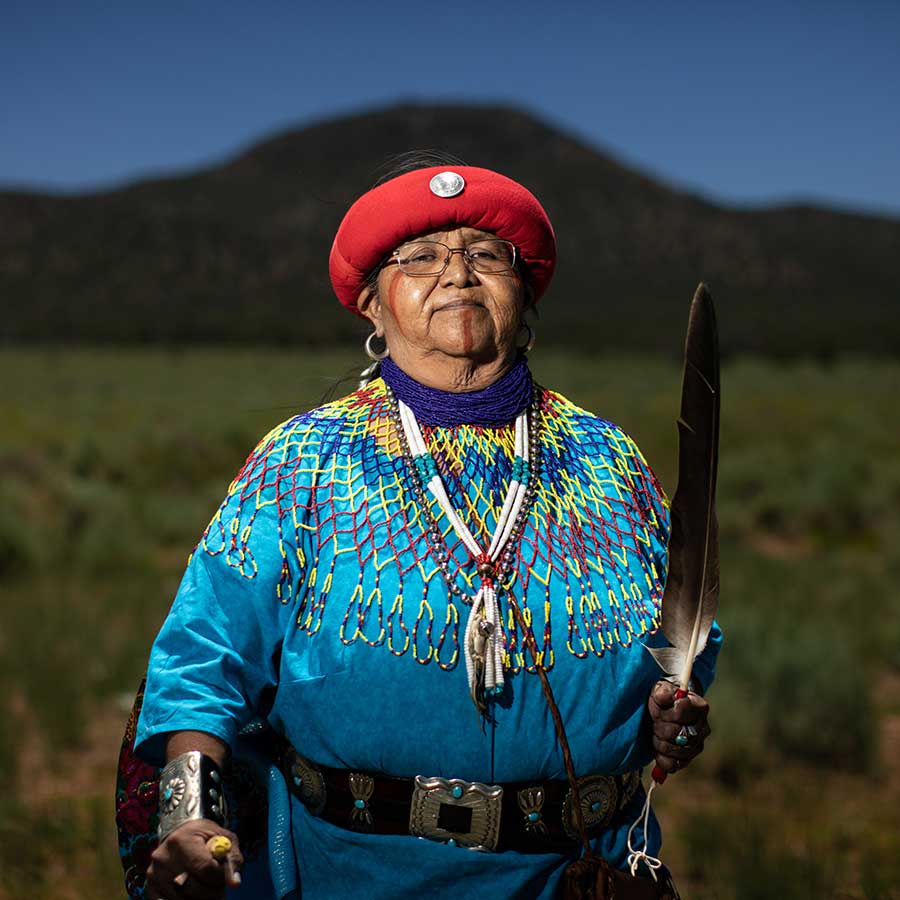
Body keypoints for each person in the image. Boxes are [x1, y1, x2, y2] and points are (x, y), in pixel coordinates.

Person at [119, 154, 720, 900]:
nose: (458, 274)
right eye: (421, 256)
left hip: (577, 871)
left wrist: (674, 709)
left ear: (525, 296)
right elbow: (202, 661)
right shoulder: (303, 459)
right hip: (354, 872)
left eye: (486, 255)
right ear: (373, 304)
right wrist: (189, 820)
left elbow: (683, 637)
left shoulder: (609, 457)